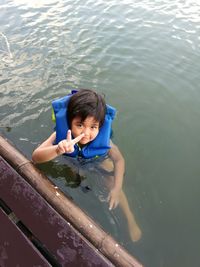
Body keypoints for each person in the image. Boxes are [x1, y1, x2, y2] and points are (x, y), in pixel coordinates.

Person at [32, 89, 141, 241]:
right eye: (80, 125)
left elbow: (119, 160)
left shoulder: (104, 141)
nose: (86, 133)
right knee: (72, 178)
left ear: (100, 126)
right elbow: (36, 157)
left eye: (93, 127)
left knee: (112, 180)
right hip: (71, 159)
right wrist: (58, 149)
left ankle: (131, 219)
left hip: (97, 159)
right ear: (70, 121)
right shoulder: (61, 136)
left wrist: (116, 188)